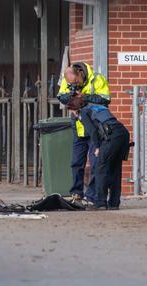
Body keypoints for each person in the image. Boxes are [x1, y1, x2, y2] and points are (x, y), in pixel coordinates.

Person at [57, 62, 110, 204]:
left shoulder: (97, 79)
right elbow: (60, 96)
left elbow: (105, 100)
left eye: (75, 82)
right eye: (70, 83)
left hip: (94, 125)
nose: (74, 85)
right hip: (78, 125)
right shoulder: (67, 78)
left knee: (95, 163)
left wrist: (84, 97)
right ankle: (76, 193)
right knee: (76, 162)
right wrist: (70, 95)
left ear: (80, 73)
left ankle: (92, 197)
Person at [66, 94, 129, 210]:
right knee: (115, 169)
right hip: (123, 133)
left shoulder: (82, 113)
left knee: (100, 168)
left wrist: (98, 147)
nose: (72, 114)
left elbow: (93, 131)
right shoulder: (96, 107)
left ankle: (100, 203)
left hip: (112, 135)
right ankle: (114, 203)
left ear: (74, 109)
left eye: (71, 111)